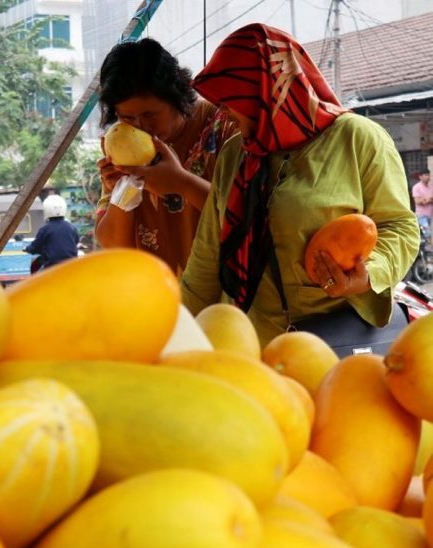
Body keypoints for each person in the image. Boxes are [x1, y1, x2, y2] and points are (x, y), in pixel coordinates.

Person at [180, 23, 419, 346]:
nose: (223, 112)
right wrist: (178, 332)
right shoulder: (236, 153)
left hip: (332, 342)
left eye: (230, 98)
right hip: (251, 343)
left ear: (263, 91)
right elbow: (208, 255)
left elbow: (400, 227)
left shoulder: (357, 138)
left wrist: (369, 274)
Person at [95, 37, 237, 275]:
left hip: (222, 299)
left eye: (150, 114)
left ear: (177, 97)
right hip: (158, 300)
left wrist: (182, 183)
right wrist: (123, 192)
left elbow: (251, 220)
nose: (141, 127)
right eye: (128, 118)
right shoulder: (119, 145)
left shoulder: (226, 126)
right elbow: (114, 245)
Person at [25, 194, 79, 270]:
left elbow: (36, 246)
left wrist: (28, 249)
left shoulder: (45, 229)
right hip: (72, 266)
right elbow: (76, 241)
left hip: (52, 267)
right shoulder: (71, 227)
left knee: (39, 277)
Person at [412, 169, 433, 236]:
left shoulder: (431, 187)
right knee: (426, 234)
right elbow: (417, 201)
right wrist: (429, 199)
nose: (428, 177)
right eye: (426, 175)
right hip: (421, 215)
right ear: (420, 176)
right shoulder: (416, 187)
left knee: (427, 235)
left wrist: (426, 200)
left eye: (429, 175)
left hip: (430, 214)